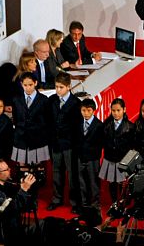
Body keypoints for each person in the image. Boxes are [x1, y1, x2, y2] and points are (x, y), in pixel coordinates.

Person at [0, 159, 37, 246]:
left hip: (11, 232)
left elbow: (21, 203)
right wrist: (24, 189)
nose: (10, 169)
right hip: (0, 239)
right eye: (7, 169)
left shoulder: (4, 184)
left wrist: (24, 188)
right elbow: (12, 208)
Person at [47, 73, 82, 212]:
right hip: (55, 144)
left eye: (61, 87)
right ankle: (57, 199)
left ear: (69, 86)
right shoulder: (52, 100)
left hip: (70, 145)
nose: (58, 90)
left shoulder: (76, 104)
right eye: (56, 87)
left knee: (73, 175)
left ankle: (75, 202)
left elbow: (77, 127)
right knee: (56, 173)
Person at [10, 73, 50, 186]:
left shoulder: (43, 100)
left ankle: (36, 183)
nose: (28, 88)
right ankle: (23, 184)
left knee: (36, 164)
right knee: (22, 165)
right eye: (25, 85)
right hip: (21, 136)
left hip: (38, 137)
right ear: (21, 84)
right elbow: (16, 118)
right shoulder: (16, 99)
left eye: (30, 85)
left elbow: (47, 119)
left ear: (36, 83)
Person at [100, 97, 135, 203]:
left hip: (123, 159)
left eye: (118, 110)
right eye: (113, 110)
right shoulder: (106, 125)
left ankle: (122, 202)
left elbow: (132, 146)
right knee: (112, 182)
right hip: (110, 158)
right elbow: (103, 141)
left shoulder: (130, 126)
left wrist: (128, 162)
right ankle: (114, 202)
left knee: (122, 183)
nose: (115, 113)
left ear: (124, 110)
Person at [76, 97, 104, 223]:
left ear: (94, 110)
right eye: (83, 110)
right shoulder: (78, 123)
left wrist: (94, 154)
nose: (85, 113)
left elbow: (100, 143)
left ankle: (95, 208)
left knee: (93, 184)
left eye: (88, 110)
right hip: (80, 157)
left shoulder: (99, 125)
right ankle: (84, 208)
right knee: (82, 184)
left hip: (93, 159)